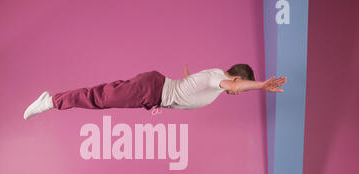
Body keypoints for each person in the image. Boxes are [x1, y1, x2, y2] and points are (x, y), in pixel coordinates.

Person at [23, 64, 286, 120]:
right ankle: (51, 101)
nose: (238, 92)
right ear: (237, 78)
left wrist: (184, 79)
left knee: (103, 96)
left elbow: (189, 87)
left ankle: (54, 100)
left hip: (152, 91)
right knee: (99, 98)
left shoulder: (213, 80)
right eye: (240, 87)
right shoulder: (220, 78)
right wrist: (262, 85)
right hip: (152, 89)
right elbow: (235, 86)